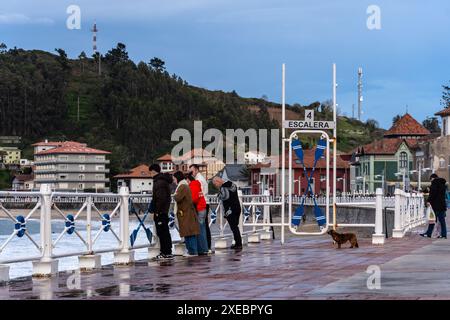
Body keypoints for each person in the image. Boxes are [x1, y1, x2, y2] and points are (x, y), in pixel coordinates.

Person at [149, 164, 174, 260]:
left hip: (161, 211)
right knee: (165, 231)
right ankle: (167, 252)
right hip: (164, 210)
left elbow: (160, 198)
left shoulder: (159, 182)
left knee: (162, 232)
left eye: (150, 172)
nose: (150, 174)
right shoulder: (163, 181)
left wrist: (157, 212)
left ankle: (165, 252)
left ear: (154, 171)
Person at [173, 171, 200, 256]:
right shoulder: (184, 185)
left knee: (189, 233)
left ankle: (192, 252)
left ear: (177, 178)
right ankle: (191, 251)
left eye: (174, 178)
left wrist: (174, 195)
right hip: (187, 212)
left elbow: (178, 197)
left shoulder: (182, 186)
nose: (173, 180)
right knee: (188, 232)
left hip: (186, 213)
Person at [212, 176, 242, 250]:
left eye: (215, 184)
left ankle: (238, 244)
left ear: (218, 181)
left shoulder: (223, 187)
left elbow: (225, 196)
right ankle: (238, 242)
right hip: (237, 207)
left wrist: (218, 195)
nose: (216, 186)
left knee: (234, 227)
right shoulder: (232, 184)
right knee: (235, 226)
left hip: (230, 210)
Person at [189, 164, 212, 252]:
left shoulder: (199, 180)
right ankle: (206, 246)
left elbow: (198, 194)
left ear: (196, 170)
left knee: (203, 226)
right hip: (205, 203)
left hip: (202, 204)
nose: (191, 173)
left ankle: (205, 247)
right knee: (204, 226)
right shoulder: (201, 178)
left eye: (192, 171)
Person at [187, 174, 209, 255]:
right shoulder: (197, 184)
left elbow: (194, 198)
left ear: (188, 179)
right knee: (202, 229)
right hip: (203, 207)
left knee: (200, 229)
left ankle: (202, 249)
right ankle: (204, 248)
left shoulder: (193, 185)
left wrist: (189, 202)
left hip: (199, 209)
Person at [421, 173, 447, 239]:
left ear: (432, 178)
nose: (430, 181)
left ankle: (428, 233)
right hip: (442, 205)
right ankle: (444, 235)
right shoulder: (442, 184)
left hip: (435, 206)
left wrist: (428, 201)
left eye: (430, 179)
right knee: (442, 221)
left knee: (432, 219)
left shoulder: (434, 184)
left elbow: (432, 194)